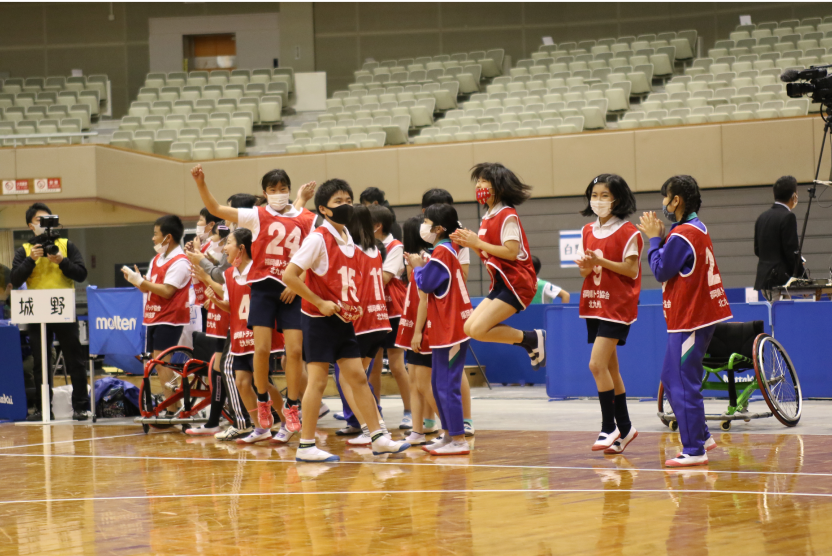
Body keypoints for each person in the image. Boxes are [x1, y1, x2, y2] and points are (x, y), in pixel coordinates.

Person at [283, 178, 410, 462]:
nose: (345, 205)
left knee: (357, 378)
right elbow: (289, 276)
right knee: (316, 382)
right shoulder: (317, 237)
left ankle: (378, 438)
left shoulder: (349, 239)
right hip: (318, 320)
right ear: (324, 210)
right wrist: (319, 302)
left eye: (347, 199)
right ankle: (306, 446)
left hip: (343, 321)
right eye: (338, 201)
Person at [190, 165, 314, 439]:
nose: (278, 194)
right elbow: (216, 207)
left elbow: (313, 253)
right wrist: (201, 182)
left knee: (294, 352)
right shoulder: (257, 215)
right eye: (273, 190)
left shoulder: (306, 218)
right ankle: (262, 402)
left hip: (290, 292)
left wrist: (298, 280)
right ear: (265, 193)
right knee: (261, 350)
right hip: (263, 289)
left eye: (283, 189)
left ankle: (292, 407)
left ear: (289, 191)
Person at [638, 175, 732, 468]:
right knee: (671, 377)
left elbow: (661, 270)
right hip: (695, 317)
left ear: (676, 200)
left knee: (681, 382)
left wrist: (654, 238)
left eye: (666, 197)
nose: (663, 203)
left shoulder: (684, 235)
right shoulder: (694, 228)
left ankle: (693, 449)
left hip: (691, 319)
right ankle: (702, 435)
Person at [450, 163, 545, 370]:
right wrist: (470, 244)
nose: (478, 185)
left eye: (484, 180)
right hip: (501, 283)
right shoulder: (487, 216)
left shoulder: (507, 215)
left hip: (517, 283)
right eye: (478, 181)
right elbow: (487, 253)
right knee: (469, 328)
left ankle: (532, 338)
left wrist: (477, 242)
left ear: (498, 186)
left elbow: (511, 252)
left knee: (479, 330)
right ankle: (530, 340)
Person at [201, 228, 291, 444]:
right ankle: (260, 428)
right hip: (238, 335)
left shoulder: (261, 272)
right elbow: (232, 307)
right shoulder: (229, 274)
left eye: (228, 243)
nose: (224, 248)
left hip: (258, 335)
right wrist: (215, 300)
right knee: (242, 381)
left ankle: (288, 423)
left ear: (242, 247)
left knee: (264, 383)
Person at [576, 174, 642, 454]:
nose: (598, 200)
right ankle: (625, 429)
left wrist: (600, 259)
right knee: (611, 368)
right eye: (594, 194)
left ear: (618, 198)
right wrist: (588, 265)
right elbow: (584, 271)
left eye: (605, 195)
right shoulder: (586, 230)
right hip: (594, 303)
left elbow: (631, 270)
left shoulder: (630, 232)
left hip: (617, 306)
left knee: (596, 365)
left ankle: (608, 426)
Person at [11, 202, 90, 421]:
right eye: (39, 221)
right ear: (30, 225)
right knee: (40, 362)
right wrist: (31, 260)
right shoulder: (25, 250)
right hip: (37, 312)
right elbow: (15, 280)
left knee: (75, 360)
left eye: (48, 220)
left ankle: (81, 406)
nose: (44, 226)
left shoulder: (65, 245)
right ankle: (43, 408)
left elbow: (81, 274)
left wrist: (62, 261)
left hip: (63, 309)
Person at [408, 203, 474, 456]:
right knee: (438, 384)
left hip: (453, 330)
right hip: (442, 330)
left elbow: (425, 283)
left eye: (426, 221)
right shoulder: (443, 250)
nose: (422, 226)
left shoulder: (444, 252)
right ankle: (448, 435)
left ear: (438, 228)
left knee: (447, 386)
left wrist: (416, 266)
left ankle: (458, 439)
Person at [122, 215, 192, 411]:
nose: (152, 239)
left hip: (170, 319)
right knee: (158, 364)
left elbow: (168, 291)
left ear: (167, 237)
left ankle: (172, 409)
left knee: (162, 364)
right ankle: (174, 407)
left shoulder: (180, 262)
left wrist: (143, 282)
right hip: (154, 316)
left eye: (155, 234)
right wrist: (136, 280)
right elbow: (148, 289)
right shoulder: (157, 259)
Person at [337, 205, 391, 446]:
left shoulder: (351, 251)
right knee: (359, 379)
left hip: (363, 321)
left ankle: (371, 430)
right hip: (380, 320)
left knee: (348, 380)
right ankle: (380, 428)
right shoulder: (375, 251)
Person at [367, 204, 412, 429]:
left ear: (377, 226)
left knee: (396, 365)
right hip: (373, 311)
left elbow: (383, 278)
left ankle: (410, 411)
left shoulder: (395, 246)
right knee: (373, 365)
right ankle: (375, 412)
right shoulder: (364, 245)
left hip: (393, 310)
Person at [397, 216, 440, 447]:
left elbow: (424, 300)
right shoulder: (412, 260)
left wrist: (417, 331)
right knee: (413, 381)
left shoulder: (425, 260)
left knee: (424, 384)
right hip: (411, 323)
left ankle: (450, 428)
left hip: (422, 328)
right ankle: (417, 431)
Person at [754, 175, 803, 300]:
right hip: (780, 283)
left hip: (764, 281)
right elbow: (792, 252)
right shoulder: (788, 217)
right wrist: (803, 280)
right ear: (794, 196)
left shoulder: (762, 217)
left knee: (776, 316)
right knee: (782, 317)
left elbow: (757, 250)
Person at [190, 208, 224, 331]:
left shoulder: (216, 245)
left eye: (200, 220)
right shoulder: (204, 244)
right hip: (203, 299)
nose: (198, 223)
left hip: (212, 299)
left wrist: (214, 298)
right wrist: (192, 252)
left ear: (211, 225)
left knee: (215, 343)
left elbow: (220, 274)